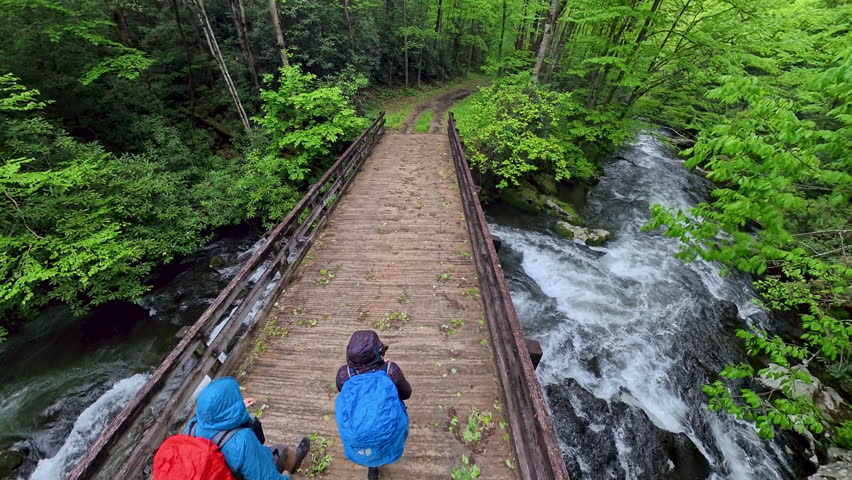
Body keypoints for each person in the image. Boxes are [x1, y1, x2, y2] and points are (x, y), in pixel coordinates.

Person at [185, 377, 310, 480]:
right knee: (282, 451)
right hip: (243, 471)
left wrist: (237, 408)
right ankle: (295, 460)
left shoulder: (192, 426)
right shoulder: (242, 440)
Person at [335, 330, 411, 480]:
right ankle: (384, 453)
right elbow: (406, 393)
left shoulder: (344, 374)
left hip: (359, 432)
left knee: (367, 435)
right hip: (386, 430)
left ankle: (372, 467)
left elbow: (343, 393)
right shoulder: (390, 370)